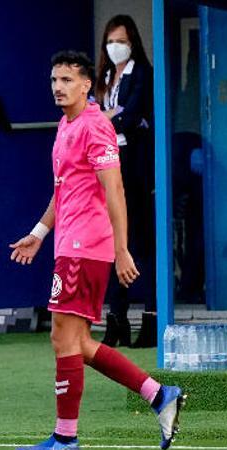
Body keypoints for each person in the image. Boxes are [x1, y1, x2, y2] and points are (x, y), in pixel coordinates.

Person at [9, 51, 183, 450]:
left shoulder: (95, 126)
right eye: (54, 79)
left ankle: (66, 437)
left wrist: (122, 249)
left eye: (67, 80)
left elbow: (115, 190)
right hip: (66, 245)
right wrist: (38, 233)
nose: (58, 87)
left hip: (85, 248)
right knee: (76, 341)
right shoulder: (64, 125)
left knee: (65, 338)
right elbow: (63, 190)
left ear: (87, 85)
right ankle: (160, 395)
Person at [94, 14, 157, 348]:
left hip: (135, 169)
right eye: (111, 40)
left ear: (132, 43)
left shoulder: (142, 74)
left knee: (142, 244)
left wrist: (107, 119)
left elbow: (132, 117)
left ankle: (151, 318)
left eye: (122, 41)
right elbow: (96, 116)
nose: (115, 47)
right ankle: (116, 319)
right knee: (112, 243)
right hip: (107, 167)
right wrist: (110, 117)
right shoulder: (103, 76)